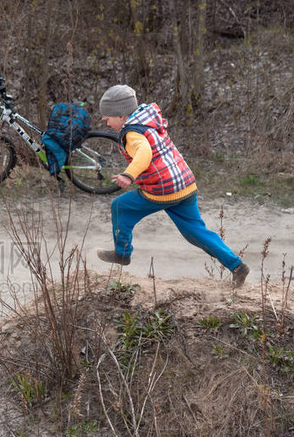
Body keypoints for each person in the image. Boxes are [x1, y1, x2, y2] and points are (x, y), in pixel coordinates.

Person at [95, 84, 249, 287]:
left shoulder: (131, 134)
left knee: (120, 207)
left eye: (108, 116)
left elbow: (144, 153)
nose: (104, 121)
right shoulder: (148, 121)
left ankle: (122, 254)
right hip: (184, 184)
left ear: (122, 115)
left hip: (162, 189)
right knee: (195, 232)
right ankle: (237, 266)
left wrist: (129, 175)